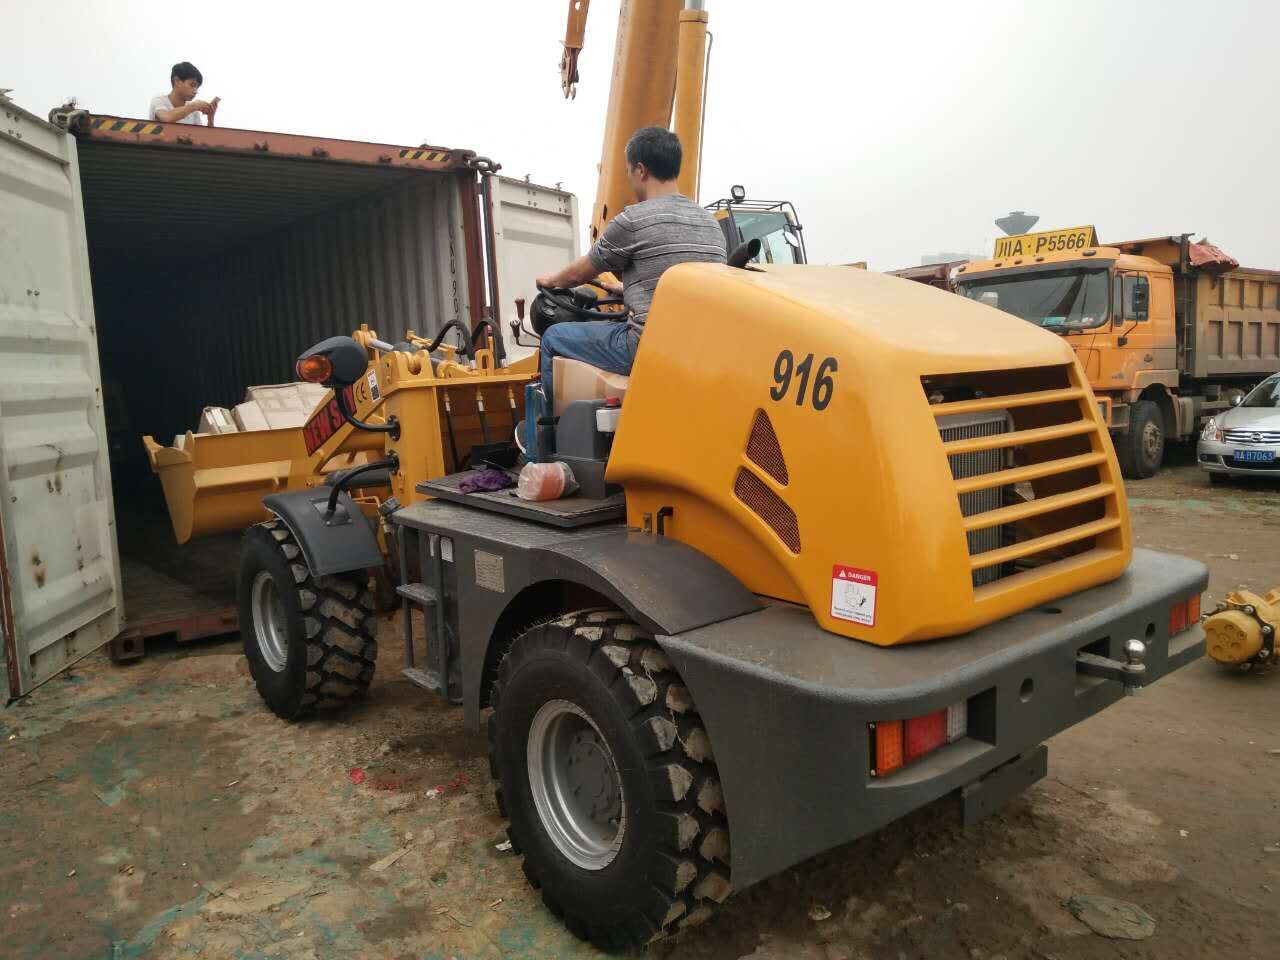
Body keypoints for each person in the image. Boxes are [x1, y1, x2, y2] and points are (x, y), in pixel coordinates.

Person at [534, 126, 726, 401]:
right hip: (700, 350)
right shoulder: (710, 224)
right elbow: (679, 286)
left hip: (648, 347)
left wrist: (551, 280)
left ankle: (547, 426)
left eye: (628, 172)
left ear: (641, 170)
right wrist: (623, 290)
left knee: (554, 337)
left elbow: (579, 274)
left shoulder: (634, 220)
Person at [149, 61, 219, 126]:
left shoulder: (193, 111)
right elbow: (166, 117)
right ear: (176, 80)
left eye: (197, 87)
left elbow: (202, 135)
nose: (195, 91)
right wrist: (194, 106)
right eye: (192, 85)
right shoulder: (159, 101)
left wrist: (210, 120)